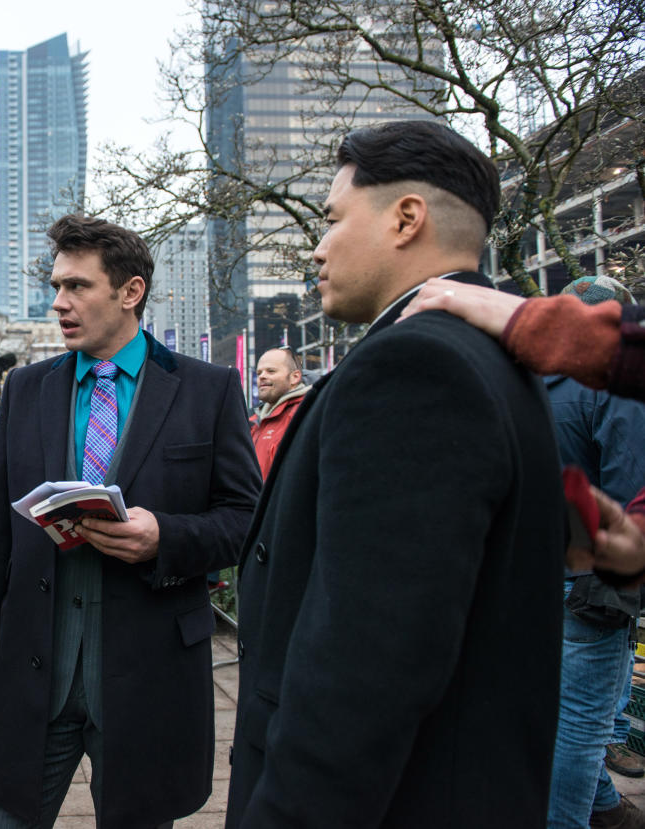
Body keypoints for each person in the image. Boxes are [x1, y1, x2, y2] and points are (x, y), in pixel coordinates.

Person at [226, 120, 567, 827]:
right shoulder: (493, 357)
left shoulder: (414, 367)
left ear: (406, 218)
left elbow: (364, 669)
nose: (317, 249)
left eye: (333, 220)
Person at [0, 214, 261, 828]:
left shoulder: (208, 390)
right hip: (33, 667)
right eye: (57, 286)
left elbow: (246, 519)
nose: (59, 302)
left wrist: (165, 536)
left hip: (150, 674)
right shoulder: (27, 390)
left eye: (77, 287)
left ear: (130, 291)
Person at [402, 277, 645, 581]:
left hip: (527, 573)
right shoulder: (615, 394)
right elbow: (631, 474)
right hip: (594, 575)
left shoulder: (517, 378)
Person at [541, 275, 645, 829]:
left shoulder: (531, 378)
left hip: (531, 575)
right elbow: (631, 488)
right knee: (582, 730)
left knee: (554, 720)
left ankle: (605, 809)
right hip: (590, 584)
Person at [248, 347, 310, 478]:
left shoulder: (305, 415)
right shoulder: (253, 421)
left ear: (295, 377)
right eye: (259, 373)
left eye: (271, 371)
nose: (262, 376)